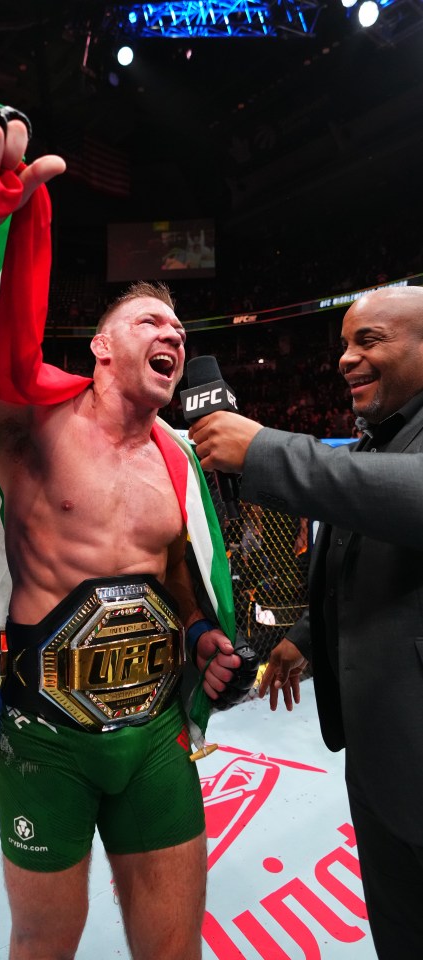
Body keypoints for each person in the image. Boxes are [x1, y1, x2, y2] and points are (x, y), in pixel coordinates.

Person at [0, 98, 241, 959]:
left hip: (154, 734)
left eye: (177, 325)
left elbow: (172, 563)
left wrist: (198, 629)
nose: (172, 332)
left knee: (174, 948)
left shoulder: (176, 459)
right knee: (46, 942)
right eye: (149, 322)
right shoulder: (35, 418)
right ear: (100, 349)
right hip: (49, 739)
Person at [188, 285, 423, 959]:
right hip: (382, 763)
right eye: (343, 345)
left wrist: (263, 450)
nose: (346, 359)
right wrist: (303, 639)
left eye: (368, 341)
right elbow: (364, 551)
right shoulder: (377, 439)